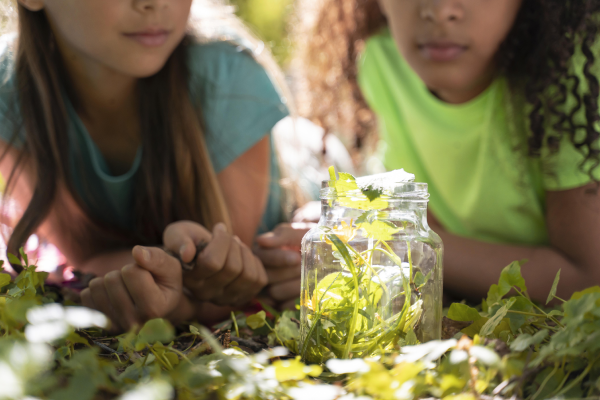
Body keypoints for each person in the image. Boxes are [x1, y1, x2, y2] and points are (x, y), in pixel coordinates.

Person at [267, 0, 600, 304]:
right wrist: (345, 227)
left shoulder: (577, 71)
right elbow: (430, 227)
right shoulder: (386, 61)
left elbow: (587, 279)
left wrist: (387, 241)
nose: (440, 11)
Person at [0, 0, 293, 331]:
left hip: (297, 180)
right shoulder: (10, 90)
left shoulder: (227, 71)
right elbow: (89, 258)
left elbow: (220, 290)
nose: (157, 3)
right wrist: (166, 278)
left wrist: (176, 284)